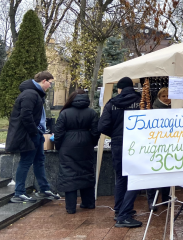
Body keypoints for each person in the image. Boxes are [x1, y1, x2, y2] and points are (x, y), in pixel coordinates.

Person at [6, 71, 61, 203]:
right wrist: (34, 132)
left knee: (39, 161)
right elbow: (26, 115)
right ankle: (19, 193)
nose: (50, 86)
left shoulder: (35, 94)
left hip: (36, 134)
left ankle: (44, 189)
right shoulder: (30, 94)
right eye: (50, 83)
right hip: (30, 135)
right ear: (44, 81)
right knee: (26, 162)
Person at [98, 77, 142, 227]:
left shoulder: (111, 103)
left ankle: (119, 209)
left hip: (118, 143)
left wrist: (116, 134)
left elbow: (102, 126)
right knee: (135, 177)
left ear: (119, 89)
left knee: (121, 177)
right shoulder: (141, 102)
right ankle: (124, 215)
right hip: (137, 143)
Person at [53, 89, 100, 214]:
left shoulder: (65, 113)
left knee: (69, 175)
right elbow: (96, 131)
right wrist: (91, 142)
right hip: (86, 144)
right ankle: (89, 203)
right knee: (87, 172)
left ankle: (71, 207)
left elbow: (58, 133)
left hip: (68, 145)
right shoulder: (92, 112)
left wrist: (59, 146)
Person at [146, 88, 171, 211]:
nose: (166, 98)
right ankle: (152, 200)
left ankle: (165, 198)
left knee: (167, 173)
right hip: (156, 145)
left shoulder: (172, 109)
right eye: (163, 96)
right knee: (154, 174)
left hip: (168, 145)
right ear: (159, 98)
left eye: (168, 95)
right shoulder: (154, 109)